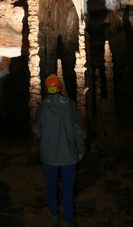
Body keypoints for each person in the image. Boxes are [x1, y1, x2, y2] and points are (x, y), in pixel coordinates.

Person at [32, 74, 86, 227]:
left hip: (49, 155)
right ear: (60, 88)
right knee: (68, 189)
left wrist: (46, 136)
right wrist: (80, 150)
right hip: (69, 155)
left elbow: (36, 129)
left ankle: (54, 217)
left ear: (47, 89)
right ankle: (68, 220)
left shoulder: (42, 108)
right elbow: (78, 131)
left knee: (51, 187)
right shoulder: (70, 106)